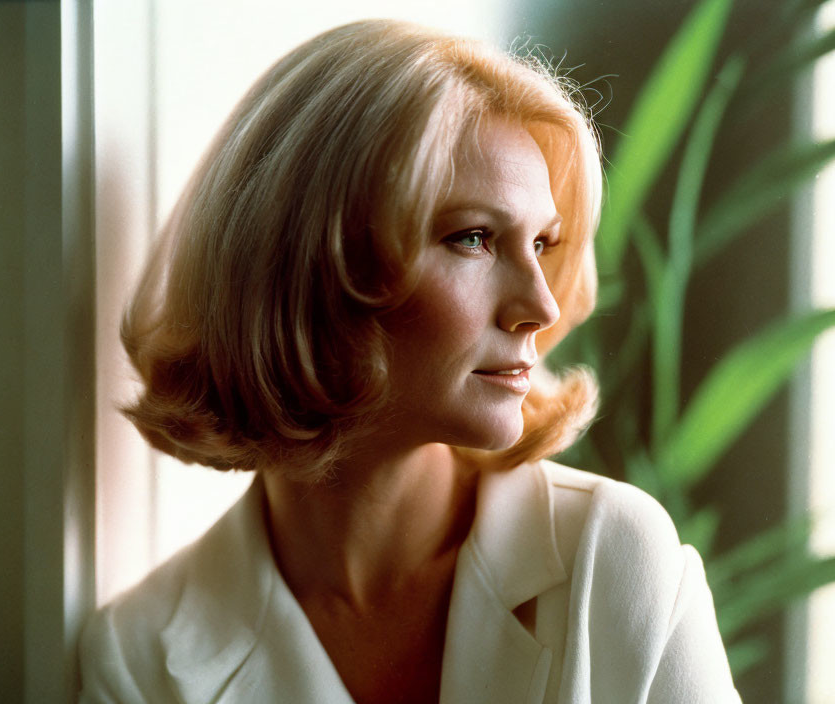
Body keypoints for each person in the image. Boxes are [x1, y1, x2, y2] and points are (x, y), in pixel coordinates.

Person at [79, 18, 740, 704]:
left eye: (542, 244)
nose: (541, 308)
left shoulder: (614, 559)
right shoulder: (141, 658)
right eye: (474, 238)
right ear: (314, 269)